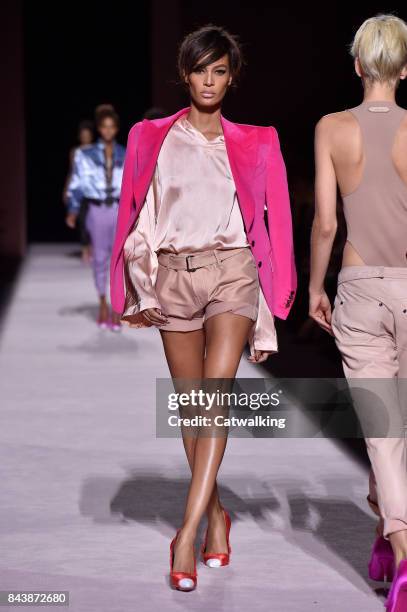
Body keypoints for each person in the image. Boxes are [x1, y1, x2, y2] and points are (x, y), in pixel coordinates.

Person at [110, 25, 296, 591]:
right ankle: (216, 514)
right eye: (200, 70)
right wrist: (133, 284)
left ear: (232, 77)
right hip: (174, 273)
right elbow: (134, 208)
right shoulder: (150, 137)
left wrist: (280, 290)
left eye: (220, 71)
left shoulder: (259, 140)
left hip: (234, 272)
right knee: (192, 408)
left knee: (215, 397)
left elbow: (278, 220)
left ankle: (186, 532)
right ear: (183, 75)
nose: (209, 81)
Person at [309, 14, 407, 611]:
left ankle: (398, 548)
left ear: (356, 65)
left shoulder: (331, 128)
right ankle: (391, 542)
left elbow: (326, 221)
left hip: (361, 287)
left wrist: (316, 286)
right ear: (403, 69)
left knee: (384, 429)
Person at [66, 104, 126, 330]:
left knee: (119, 261)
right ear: (100, 129)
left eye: (112, 127)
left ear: (116, 129)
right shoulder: (85, 154)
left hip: (119, 211)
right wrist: (72, 209)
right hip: (97, 209)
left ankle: (116, 308)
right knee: (100, 258)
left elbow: (132, 186)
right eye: (104, 127)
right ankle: (103, 304)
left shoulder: (126, 153)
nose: (108, 131)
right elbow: (77, 183)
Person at [63, 120, 95, 264]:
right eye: (83, 135)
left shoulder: (97, 149)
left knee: (92, 220)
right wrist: (67, 189)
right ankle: (84, 249)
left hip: (94, 190)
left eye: (87, 135)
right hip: (79, 190)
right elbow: (72, 172)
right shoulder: (75, 151)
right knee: (81, 220)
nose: (85, 137)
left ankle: (93, 247)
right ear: (80, 136)